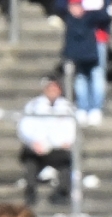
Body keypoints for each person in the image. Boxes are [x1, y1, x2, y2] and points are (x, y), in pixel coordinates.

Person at [18, 77, 77, 207]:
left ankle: (62, 193)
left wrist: (67, 141)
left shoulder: (67, 107)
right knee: (30, 162)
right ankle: (30, 192)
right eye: (50, 89)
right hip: (37, 147)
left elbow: (72, 127)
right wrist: (33, 142)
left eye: (55, 89)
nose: (53, 91)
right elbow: (24, 126)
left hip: (58, 148)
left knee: (66, 164)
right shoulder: (33, 105)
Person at [62, 0, 111, 124]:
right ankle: (83, 107)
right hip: (79, 48)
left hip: (95, 45)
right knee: (81, 78)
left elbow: (105, 14)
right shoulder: (71, 15)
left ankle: (96, 108)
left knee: (96, 75)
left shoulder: (93, 15)